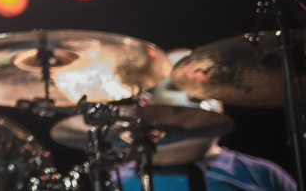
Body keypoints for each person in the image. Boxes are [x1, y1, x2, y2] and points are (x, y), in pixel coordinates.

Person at [115, 50, 296, 191]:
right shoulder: (116, 181)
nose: (197, 96)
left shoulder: (265, 174)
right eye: (180, 86)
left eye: (208, 86)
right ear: (146, 102)